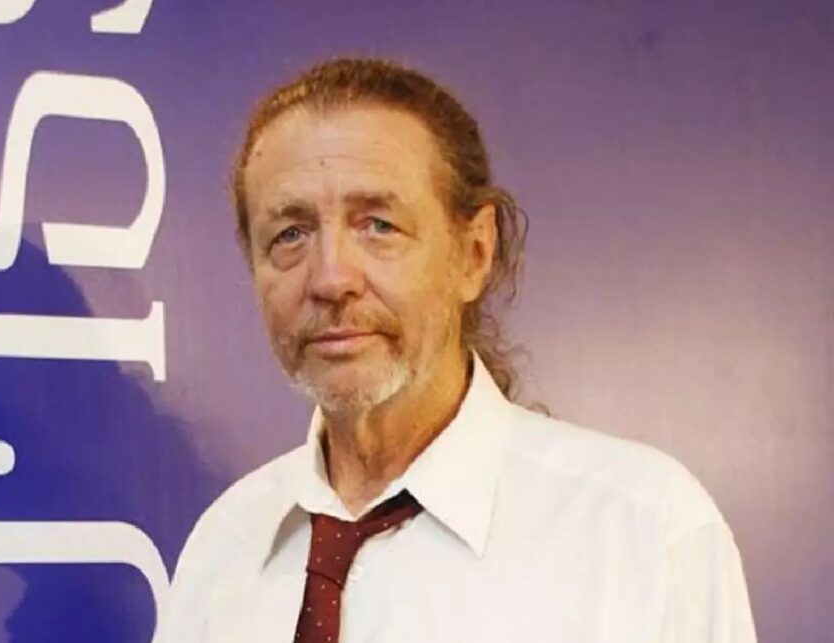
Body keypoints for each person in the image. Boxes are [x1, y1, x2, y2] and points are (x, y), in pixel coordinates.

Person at [157, 57, 756, 643]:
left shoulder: (644, 535)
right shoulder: (224, 548)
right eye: (290, 235)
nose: (331, 278)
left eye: (378, 225)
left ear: (474, 254)